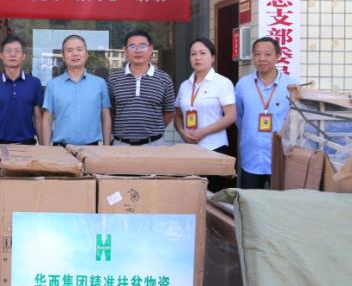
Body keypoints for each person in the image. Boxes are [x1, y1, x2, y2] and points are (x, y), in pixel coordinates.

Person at [174, 37, 237, 192]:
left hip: (213, 147)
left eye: (202, 53)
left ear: (212, 57)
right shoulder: (185, 85)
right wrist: (182, 132)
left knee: (210, 194)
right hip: (189, 148)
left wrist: (203, 132)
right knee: (189, 192)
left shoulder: (222, 83)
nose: (197, 57)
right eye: (193, 54)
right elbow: (178, 115)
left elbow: (231, 116)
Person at [235, 36, 298, 189]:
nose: (262, 58)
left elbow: (296, 119)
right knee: (249, 200)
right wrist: (251, 130)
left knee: (279, 201)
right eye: (257, 54)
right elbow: (238, 116)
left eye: (267, 54)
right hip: (251, 156)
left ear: (278, 55)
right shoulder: (243, 84)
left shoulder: (291, 85)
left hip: (281, 157)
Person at [40, 34, 111, 146]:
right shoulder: (53, 85)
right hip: (60, 149)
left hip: (92, 149)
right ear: (63, 56)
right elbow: (47, 118)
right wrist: (46, 149)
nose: (75, 53)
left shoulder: (100, 83)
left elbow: (106, 116)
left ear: (86, 54)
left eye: (79, 49)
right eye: (69, 50)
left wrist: (107, 146)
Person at [108, 29, 175, 146]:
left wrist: (153, 132)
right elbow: (110, 112)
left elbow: (169, 112)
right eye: (132, 46)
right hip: (121, 144)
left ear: (150, 49)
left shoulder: (164, 79)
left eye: (143, 46)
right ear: (125, 50)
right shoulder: (113, 79)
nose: (138, 50)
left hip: (154, 144)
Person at [0, 34, 43, 161]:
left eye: (17, 51)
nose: (12, 54)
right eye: (8, 51)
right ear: (1, 56)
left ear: (23, 56)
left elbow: (38, 118)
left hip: (27, 146)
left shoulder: (34, 83)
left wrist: (43, 147)